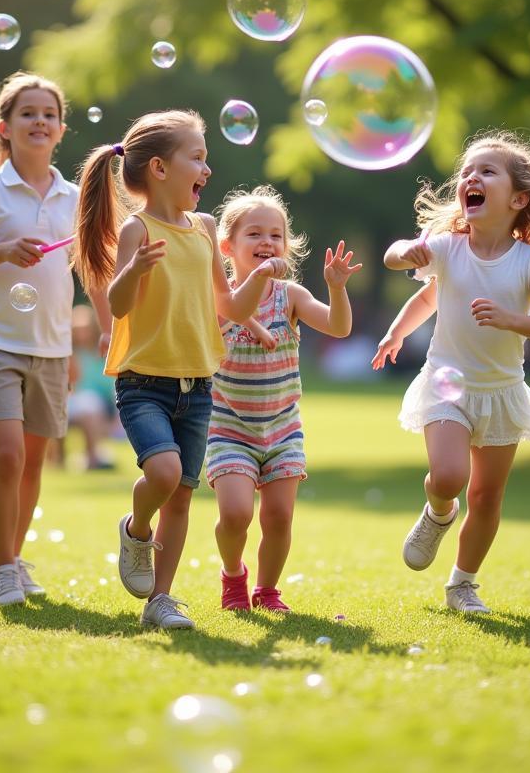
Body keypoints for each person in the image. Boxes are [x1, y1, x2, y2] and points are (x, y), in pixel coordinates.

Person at [74, 110, 282, 630]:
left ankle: (160, 600)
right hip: (143, 382)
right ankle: (136, 527)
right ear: (162, 169)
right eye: (198, 157)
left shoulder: (207, 228)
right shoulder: (136, 229)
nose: (206, 169)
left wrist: (257, 276)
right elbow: (119, 304)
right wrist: (134, 268)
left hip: (198, 383)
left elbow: (228, 306)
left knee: (183, 495)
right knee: (163, 474)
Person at [375, 131, 530, 614]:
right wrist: (398, 317)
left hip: (501, 392)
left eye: (487, 171)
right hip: (445, 382)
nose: (471, 177)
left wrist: (511, 318)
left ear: (518, 199)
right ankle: (438, 510)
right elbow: (420, 285)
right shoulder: (448, 248)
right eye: (467, 172)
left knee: (488, 494)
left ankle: (463, 584)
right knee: (450, 475)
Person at [0, 71, 106, 608]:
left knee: (34, 462)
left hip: (53, 347)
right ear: (5, 127)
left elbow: (94, 270)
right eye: (28, 113)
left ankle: (14, 555)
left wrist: (107, 327)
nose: (40, 121)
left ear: (61, 130)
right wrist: (3, 249)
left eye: (49, 114)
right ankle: (2, 567)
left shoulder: (74, 197)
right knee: (7, 457)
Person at [208, 185, 362, 612]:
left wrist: (336, 288)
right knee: (236, 514)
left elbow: (338, 326)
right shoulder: (218, 302)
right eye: (254, 234)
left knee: (278, 517)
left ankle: (267, 590)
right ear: (228, 246)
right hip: (229, 428)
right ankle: (233, 574)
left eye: (276, 235)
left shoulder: (290, 296)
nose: (267, 243)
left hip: (282, 428)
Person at [66, 303, 118, 471]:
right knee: (88, 404)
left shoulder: (102, 353)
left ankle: (92, 456)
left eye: (85, 328)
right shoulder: (70, 354)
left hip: (104, 405)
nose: (82, 334)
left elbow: (111, 385)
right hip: (75, 402)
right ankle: (89, 457)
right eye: (77, 329)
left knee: (90, 405)